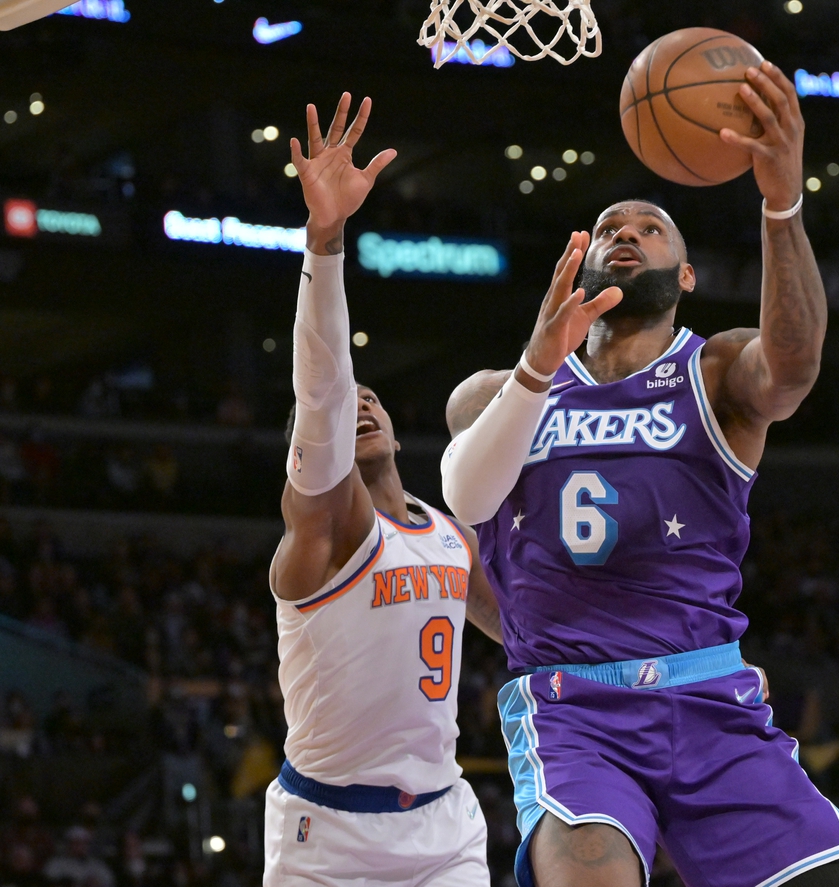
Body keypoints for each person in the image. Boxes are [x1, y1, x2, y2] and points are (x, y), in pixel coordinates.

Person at [441, 61, 839, 887]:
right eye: (608, 228)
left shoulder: (716, 372)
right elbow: (465, 546)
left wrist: (782, 202)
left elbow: (795, 366)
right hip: (574, 711)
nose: (625, 233)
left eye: (651, 228)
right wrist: (533, 636)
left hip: (708, 696)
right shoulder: (491, 397)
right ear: (580, 261)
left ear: (688, 276)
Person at [264, 93, 500, 887]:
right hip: (327, 834)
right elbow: (326, 388)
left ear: (398, 427)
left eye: (376, 397)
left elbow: (541, 631)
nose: (360, 400)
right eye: (348, 400)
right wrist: (325, 239)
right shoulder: (324, 535)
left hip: (443, 822)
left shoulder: (448, 532)